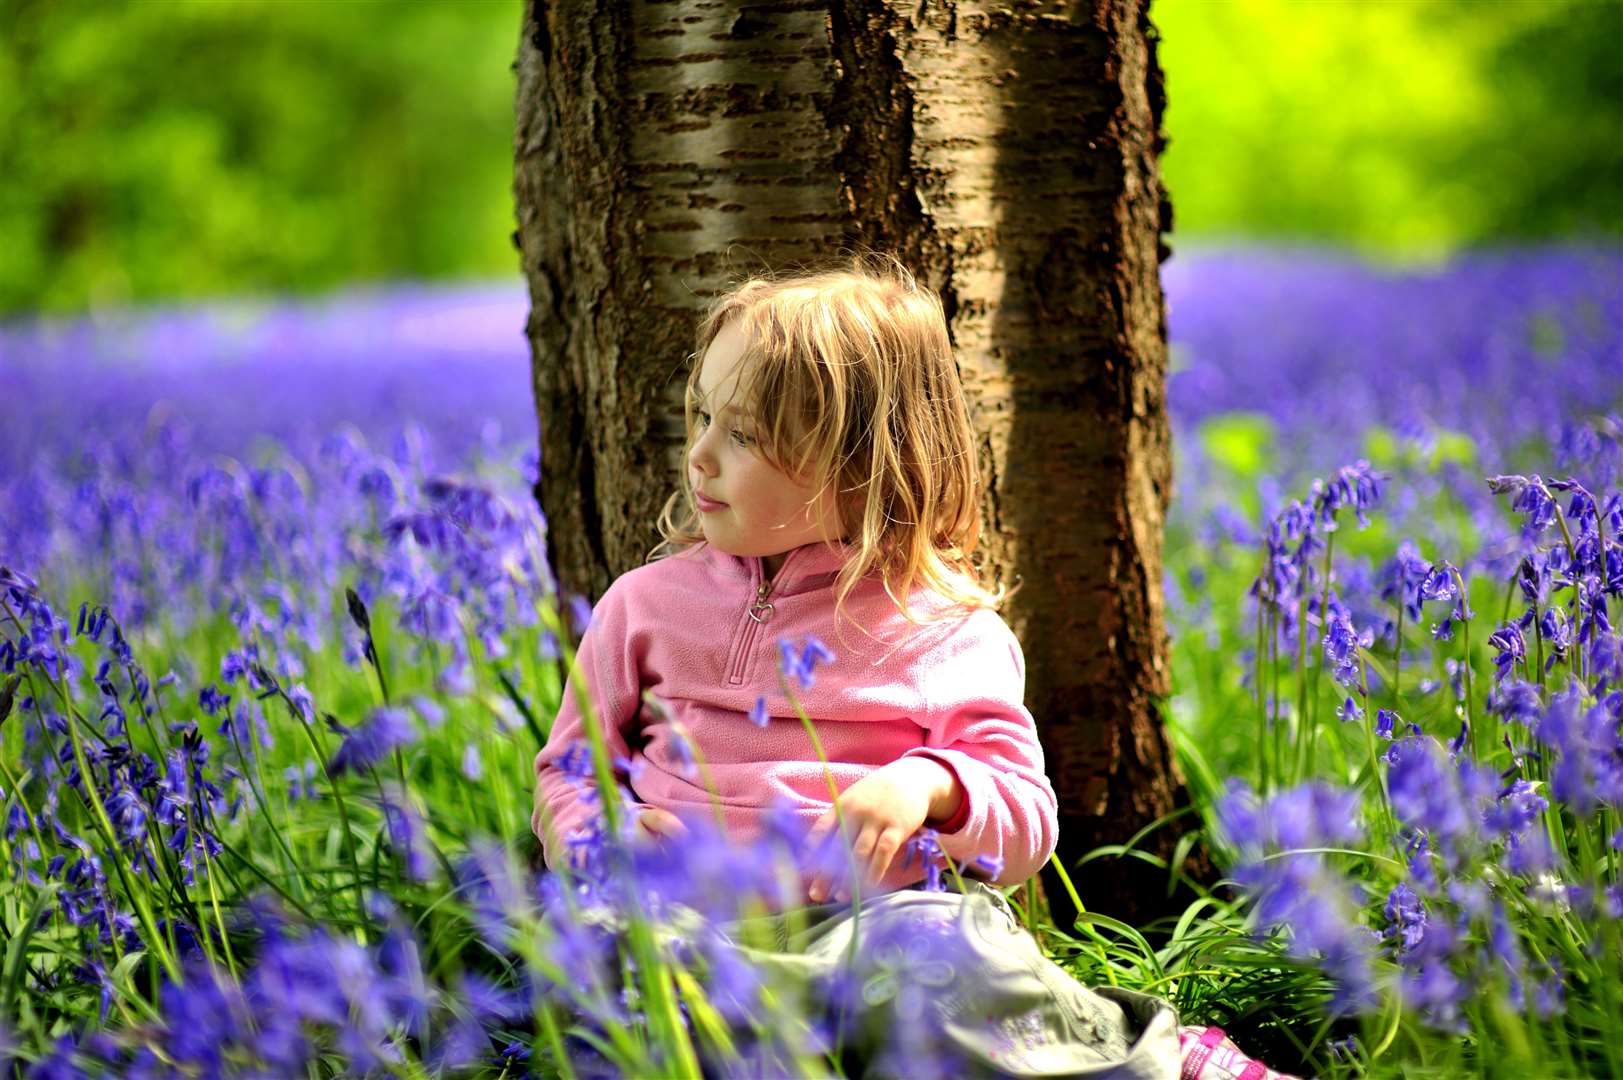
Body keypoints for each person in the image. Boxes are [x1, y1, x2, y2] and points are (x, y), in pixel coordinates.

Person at [531, 253, 1294, 1078]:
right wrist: (594, 837)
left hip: (873, 926)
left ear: (860, 467)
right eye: (703, 416)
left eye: (744, 434)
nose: (701, 455)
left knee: (943, 963)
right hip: (693, 918)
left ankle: (1142, 1057)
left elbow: (1025, 819)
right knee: (607, 962)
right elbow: (566, 770)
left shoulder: (939, 627)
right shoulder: (640, 606)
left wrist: (926, 785)